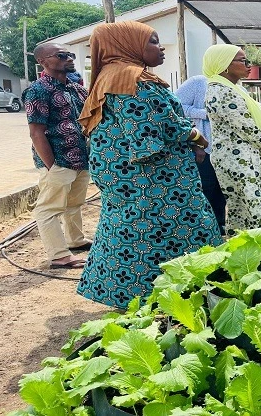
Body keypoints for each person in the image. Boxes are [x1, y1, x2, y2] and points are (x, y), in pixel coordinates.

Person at [76, 21, 222, 308]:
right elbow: (154, 131)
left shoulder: (110, 77)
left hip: (126, 177)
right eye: (153, 41)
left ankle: (129, 297)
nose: (161, 47)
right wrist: (196, 137)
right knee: (177, 228)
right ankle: (170, 296)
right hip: (152, 180)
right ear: (127, 45)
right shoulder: (133, 81)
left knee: (127, 229)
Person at [202, 44, 261, 235]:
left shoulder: (235, 89)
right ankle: (256, 255)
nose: (249, 65)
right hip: (239, 163)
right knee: (250, 210)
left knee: (260, 206)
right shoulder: (221, 92)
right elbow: (249, 129)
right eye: (242, 60)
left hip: (252, 160)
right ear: (224, 65)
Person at [24, 43, 91, 269]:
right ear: (44, 61)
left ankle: (75, 240)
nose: (69, 59)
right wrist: (52, 166)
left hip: (80, 158)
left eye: (70, 54)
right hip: (58, 160)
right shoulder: (38, 90)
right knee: (48, 208)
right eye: (62, 55)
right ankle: (59, 255)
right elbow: (36, 132)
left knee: (74, 202)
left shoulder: (75, 88)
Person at [175, 75, 226, 232]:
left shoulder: (236, 88)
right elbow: (175, 107)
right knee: (205, 190)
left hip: (225, 153)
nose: (247, 66)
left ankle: (218, 227)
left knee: (221, 193)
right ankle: (202, 230)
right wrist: (205, 113)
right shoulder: (198, 83)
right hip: (204, 150)